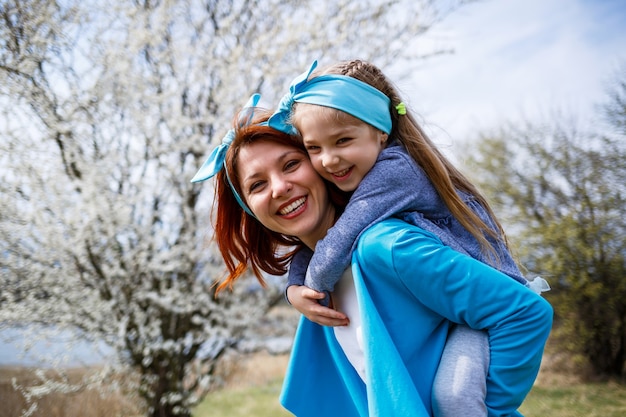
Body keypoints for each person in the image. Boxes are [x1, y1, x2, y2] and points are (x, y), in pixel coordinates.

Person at [190, 97, 553, 417]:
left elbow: (525, 312)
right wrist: (291, 289)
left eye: (290, 165)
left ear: (321, 166)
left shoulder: (387, 247)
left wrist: (483, 409)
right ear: (250, 209)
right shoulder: (316, 293)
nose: (280, 187)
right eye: (257, 185)